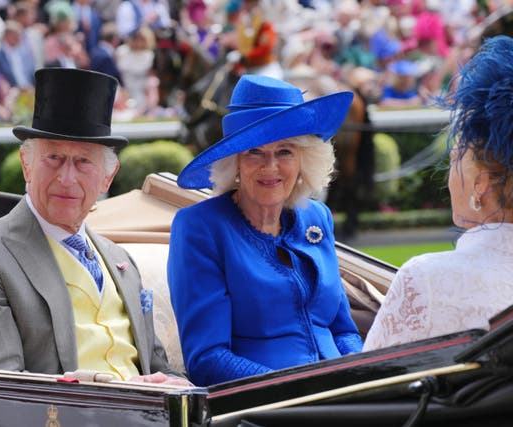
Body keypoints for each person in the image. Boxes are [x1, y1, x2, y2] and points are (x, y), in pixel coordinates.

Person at [0, 68, 188, 386]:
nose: (67, 178)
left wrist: (183, 389)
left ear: (107, 177)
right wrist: (113, 389)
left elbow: (158, 368)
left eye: (84, 162)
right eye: (53, 157)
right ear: (27, 164)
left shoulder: (119, 259)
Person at [167, 74, 363, 386]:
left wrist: (361, 372)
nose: (270, 166)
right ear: (235, 163)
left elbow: (343, 329)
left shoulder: (317, 218)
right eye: (254, 151)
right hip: (261, 404)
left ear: (304, 160)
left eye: (285, 151)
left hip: (339, 395)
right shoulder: (201, 227)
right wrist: (294, 389)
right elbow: (207, 359)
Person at [363, 35, 513, 352]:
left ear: (481, 185)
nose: (449, 174)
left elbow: (363, 388)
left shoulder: (426, 279)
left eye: (455, 156)